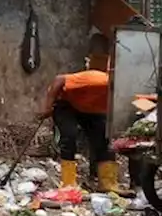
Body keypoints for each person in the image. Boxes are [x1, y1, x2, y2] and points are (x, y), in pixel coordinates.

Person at [39, 55, 117, 193]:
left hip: (92, 110)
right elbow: (59, 79)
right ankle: (68, 184)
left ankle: (108, 184)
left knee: (105, 139)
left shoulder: (121, 94)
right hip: (68, 104)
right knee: (69, 136)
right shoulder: (98, 80)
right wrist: (48, 106)